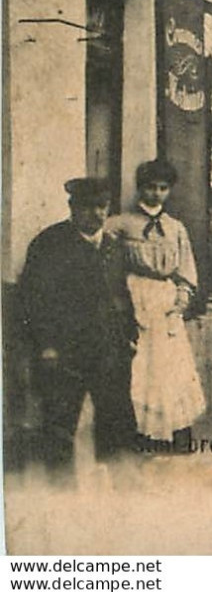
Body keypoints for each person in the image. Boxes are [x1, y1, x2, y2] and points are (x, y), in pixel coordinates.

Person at [16, 178, 138, 477]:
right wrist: (46, 345)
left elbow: (122, 295)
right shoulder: (50, 244)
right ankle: (61, 496)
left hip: (108, 351)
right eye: (88, 208)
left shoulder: (113, 247)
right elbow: (33, 301)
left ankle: (117, 497)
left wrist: (130, 337)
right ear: (72, 208)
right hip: (64, 353)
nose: (96, 214)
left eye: (102, 207)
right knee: (59, 425)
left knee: (115, 425)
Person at [106, 159, 207, 452]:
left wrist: (180, 302)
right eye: (150, 187)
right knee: (143, 369)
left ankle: (176, 434)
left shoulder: (175, 228)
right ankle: (144, 435)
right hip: (135, 297)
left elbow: (186, 270)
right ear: (140, 188)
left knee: (172, 369)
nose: (156, 193)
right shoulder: (121, 224)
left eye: (163, 188)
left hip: (165, 301)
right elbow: (107, 263)